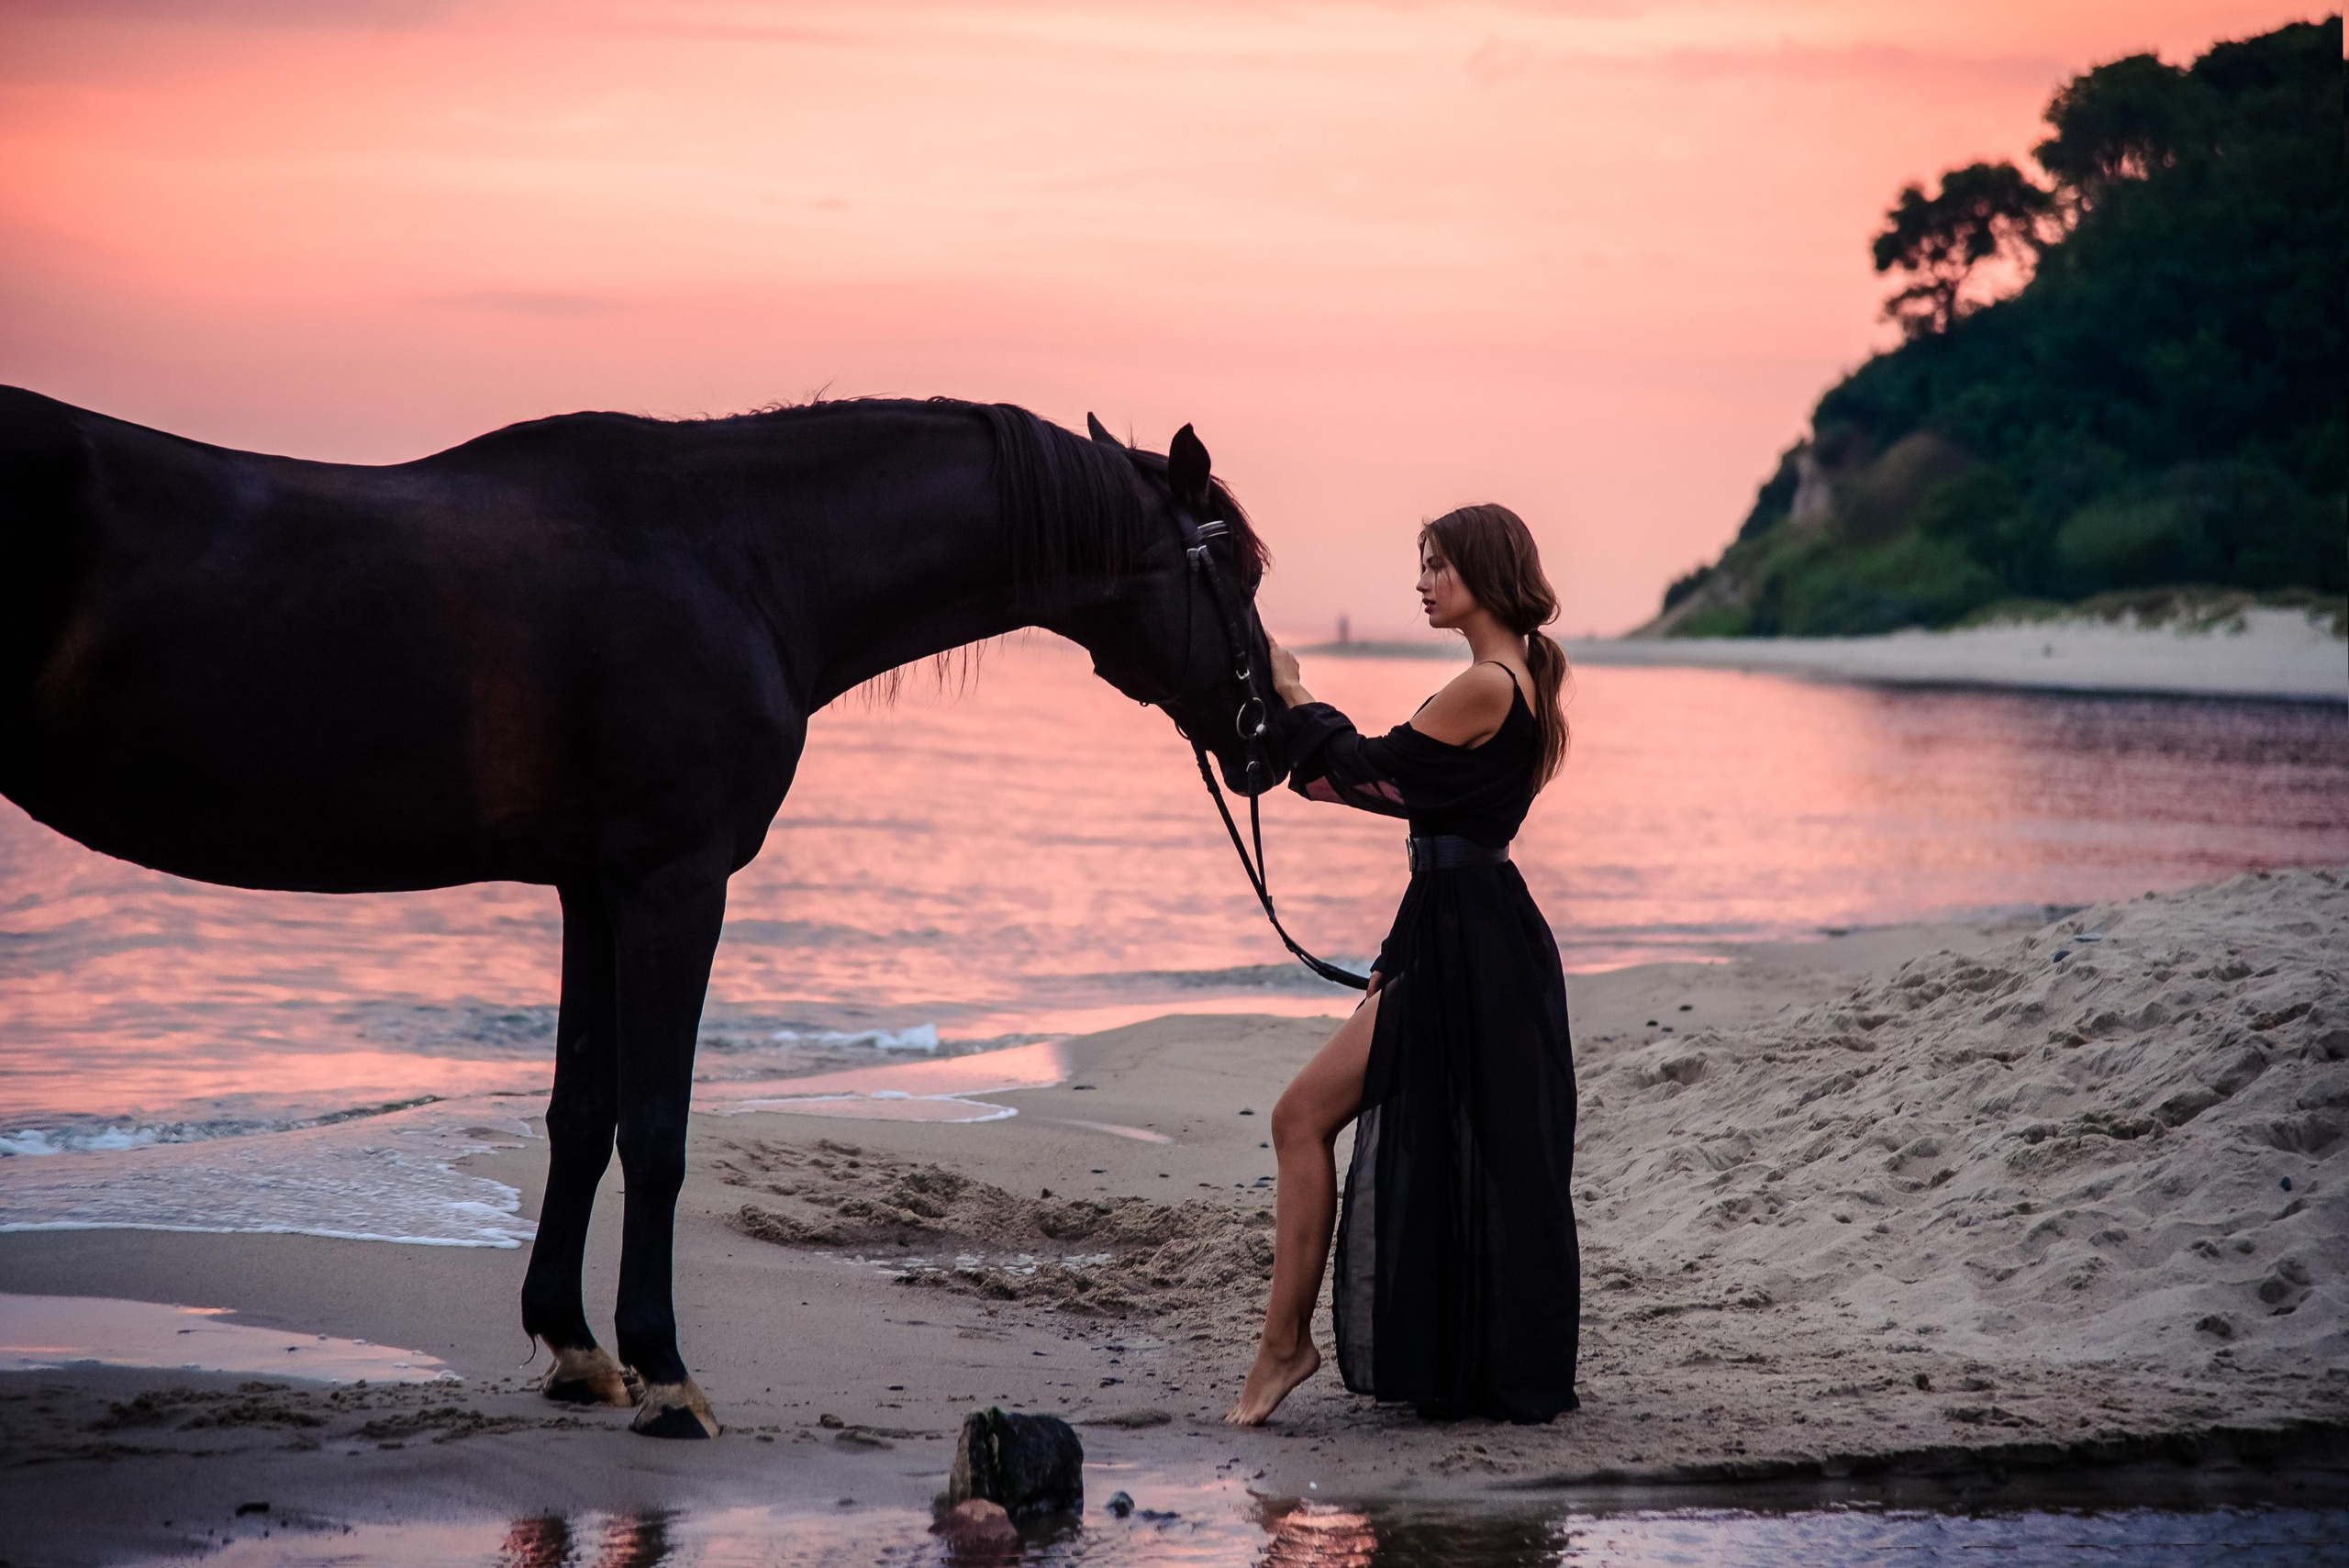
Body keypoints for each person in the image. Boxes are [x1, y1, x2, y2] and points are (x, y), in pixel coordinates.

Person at [1224, 504, 1580, 1427]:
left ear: (1482, 573)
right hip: (1462, 928)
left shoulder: (1489, 684)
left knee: (1299, 1116)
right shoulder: (1512, 679)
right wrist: (1395, 953)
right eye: (1420, 566)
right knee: (1459, 1150)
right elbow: (1436, 825)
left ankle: (1283, 1347)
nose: (1422, 583)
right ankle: (1309, 1346)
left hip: (1468, 938)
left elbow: (1360, 773)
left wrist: (1292, 689)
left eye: (1435, 566)